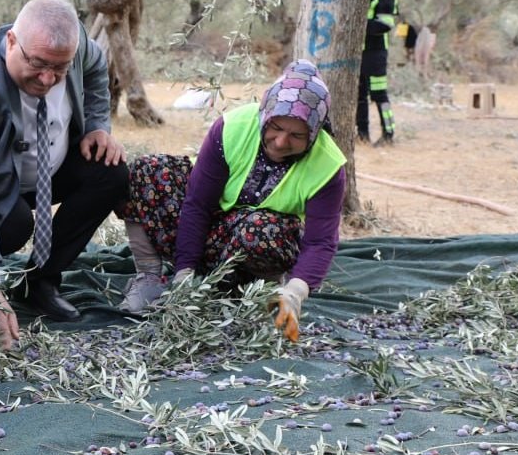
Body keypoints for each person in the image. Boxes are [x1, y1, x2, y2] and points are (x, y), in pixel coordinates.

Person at [0, 0, 127, 343]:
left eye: (59, 70)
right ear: (12, 43)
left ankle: (41, 281)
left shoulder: (72, 43)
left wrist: (97, 125)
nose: (48, 79)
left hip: (47, 166)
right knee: (13, 225)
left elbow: (94, 72)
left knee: (111, 172)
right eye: (38, 64)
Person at [117, 60, 346, 343]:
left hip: (257, 243)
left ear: (314, 132)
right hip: (209, 229)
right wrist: (184, 273)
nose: (280, 142)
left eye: (297, 135)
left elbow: (320, 242)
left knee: (261, 228)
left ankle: (257, 292)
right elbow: (198, 204)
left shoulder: (328, 165)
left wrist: (296, 292)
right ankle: (151, 279)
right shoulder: (233, 127)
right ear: (265, 115)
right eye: (275, 127)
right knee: (148, 169)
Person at [357, 0, 397, 145]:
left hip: (376, 54)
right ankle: (362, 135)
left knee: (379, 95)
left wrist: (358, 24)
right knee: (359, 95)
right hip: (358, 54)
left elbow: (386, 24)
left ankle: (388, 134)